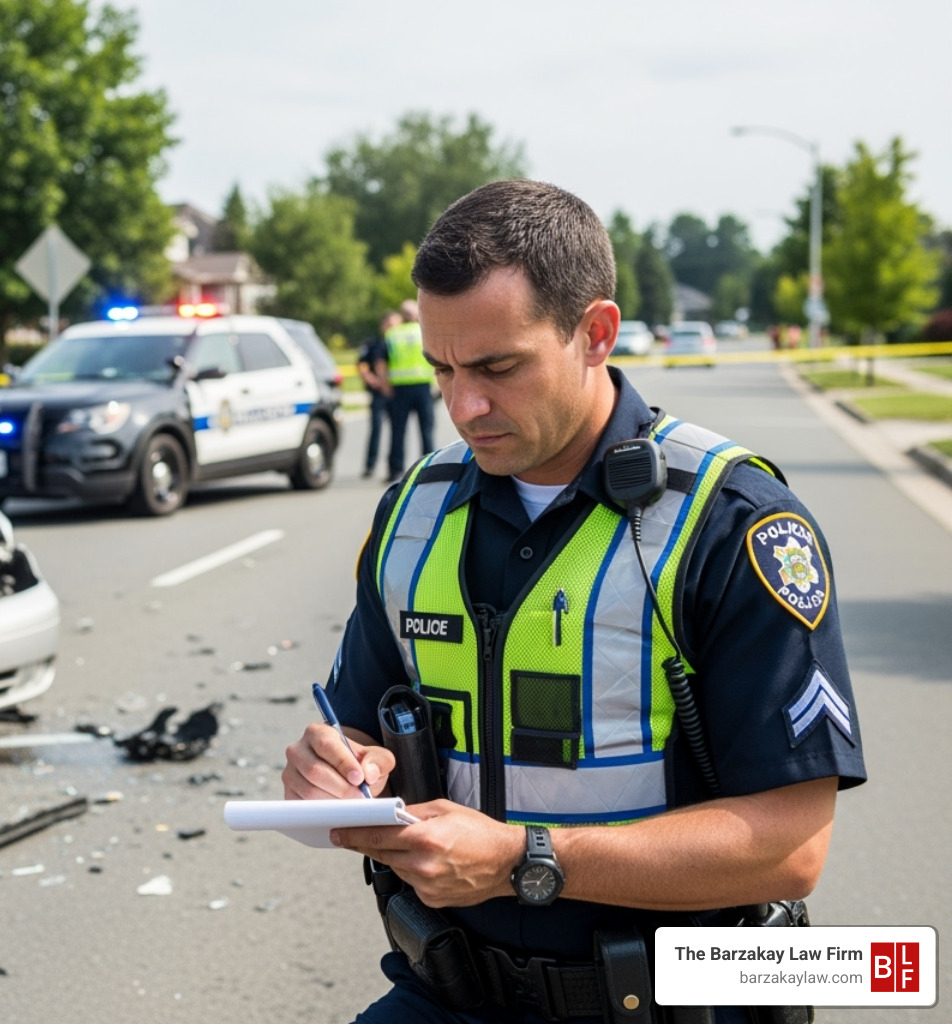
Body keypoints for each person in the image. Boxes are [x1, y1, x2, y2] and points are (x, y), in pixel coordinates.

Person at [283, 180, 865, 1024]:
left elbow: (792, 845)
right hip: (447, 991)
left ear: (595, 334)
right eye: (443, 368)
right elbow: (363, 722)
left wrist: (527, 860)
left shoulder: (731, 523)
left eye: (497, 367)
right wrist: (337, 764)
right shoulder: (413, 508)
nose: (463, 405)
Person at [384, 299, 437, 482]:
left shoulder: (392, 334)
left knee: (398, 431)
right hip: (422, 386)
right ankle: (430, 468)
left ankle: (395, 470)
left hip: (399, 388)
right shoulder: (424, 332)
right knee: (426, 429)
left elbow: (383, 362)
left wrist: (386, 386)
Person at [358, 312, 402, 479]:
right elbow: (362, 364)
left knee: (397, 431)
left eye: (396, 325)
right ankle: (370, 464)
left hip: (397, 393)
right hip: (378, 393)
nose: (393, 328)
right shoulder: (372, 344)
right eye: (389, 325)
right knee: (376, 428)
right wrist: (372, 379)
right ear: (383, 326)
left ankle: (393, 466)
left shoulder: (399, 343)